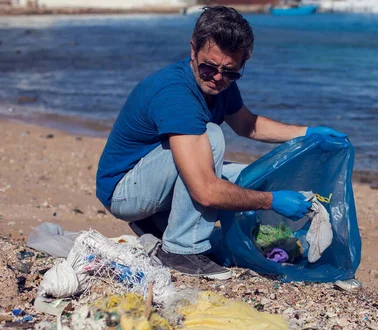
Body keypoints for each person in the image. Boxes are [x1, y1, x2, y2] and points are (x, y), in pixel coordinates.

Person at [96, 6, 346, 280]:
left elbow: (246, 124)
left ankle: (155, 223)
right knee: (212, 136)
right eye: (208, 67)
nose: (217, 78)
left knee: (251, 176)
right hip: (125, 191)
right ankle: (182, 250)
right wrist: (271, 201)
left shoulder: (221, 82)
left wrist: (307, 132)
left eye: (230, 72)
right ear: (193, 50)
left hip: (152, 182)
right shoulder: (176, 94)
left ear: (242, 64)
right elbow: (205, 191)